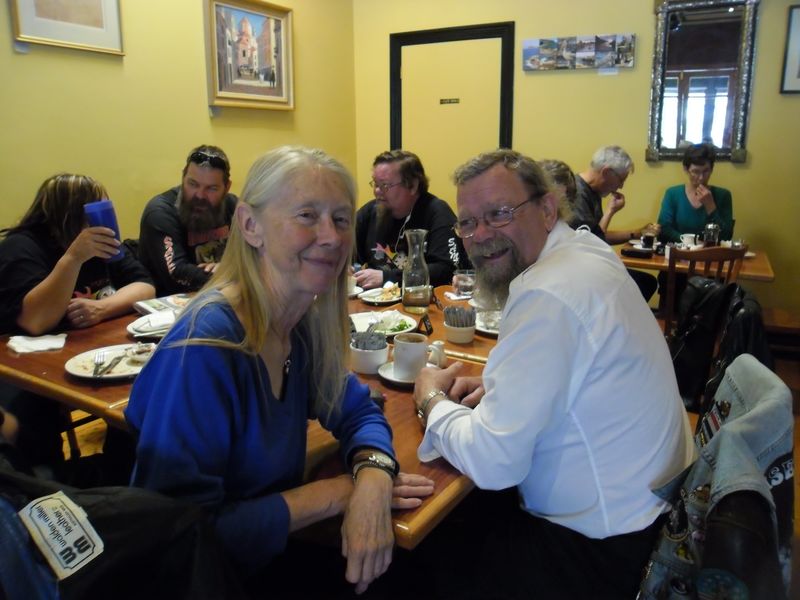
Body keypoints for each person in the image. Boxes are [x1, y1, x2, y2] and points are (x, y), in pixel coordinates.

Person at [126, 146, 434, 594]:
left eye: (341, 219)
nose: (331, 237)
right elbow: (183, 538)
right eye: (307, 215)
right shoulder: (205, 347)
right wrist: (336, 493)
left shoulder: (299, 322)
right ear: (250, 225)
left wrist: (372, 476)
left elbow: (358, 410)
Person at [412, 149, 695, 599]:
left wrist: (431, 399)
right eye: (468, 222)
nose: (480, 235)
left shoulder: (547, 291)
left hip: (602, 550)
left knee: (419, 552)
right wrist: (501, 386)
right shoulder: (586, 250)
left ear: (547, 208)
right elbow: (583, 366)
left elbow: (493, 462)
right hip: (655, 510)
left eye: (499, 213)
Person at [0, 173, 155, 472]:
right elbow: (35, 322)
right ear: (71, 214)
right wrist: (73, 258)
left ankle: (117, 473)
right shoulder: (22, 248)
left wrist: (102, 308)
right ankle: (46, 483)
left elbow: (144, 286)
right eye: (97, 210)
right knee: (34, 415)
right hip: (28, 366)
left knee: (139, 396)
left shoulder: (102, 244)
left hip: (90, 353)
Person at [354, 150, 466, 290]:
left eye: (385, 185)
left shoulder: (437, 213)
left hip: (422, 300)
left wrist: (387, 277)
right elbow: (345, 251)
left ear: (413, 185)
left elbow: (447, 270)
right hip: (373, 301)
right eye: (376, 184)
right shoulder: (371, 211)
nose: (377, 191)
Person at [138, 144, 238, 296]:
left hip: (222, 296)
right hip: (171, 303)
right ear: (183, 178)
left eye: (212, 188)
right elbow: (177, 272)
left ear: (227, 187)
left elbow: (259, 254)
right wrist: (230, 274)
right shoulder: (160, 212)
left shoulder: (234, 207)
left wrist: (229, 268)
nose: (200, 195)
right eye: (193, 184)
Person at [569, 145, 659, 301]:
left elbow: (597, 233)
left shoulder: (592, 191)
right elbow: (594, 241)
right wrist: (610, 212)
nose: (621, 186)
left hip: (589, 264)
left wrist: (637, 232)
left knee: (645, 282)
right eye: (621, 180)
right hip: (580, 270)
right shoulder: (578, 195)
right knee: (644, 283)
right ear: (606, 172)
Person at [657, 143, 734, 243]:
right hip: (679, 250)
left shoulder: (723, 195)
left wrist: (711, 207)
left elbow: (726, 236)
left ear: (712, 169)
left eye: (706, 171)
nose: (701, 177)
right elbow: (664, 230)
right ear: (686, 169)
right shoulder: (672, 194)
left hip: (712, 252)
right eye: (696, 172)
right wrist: (692, 242)